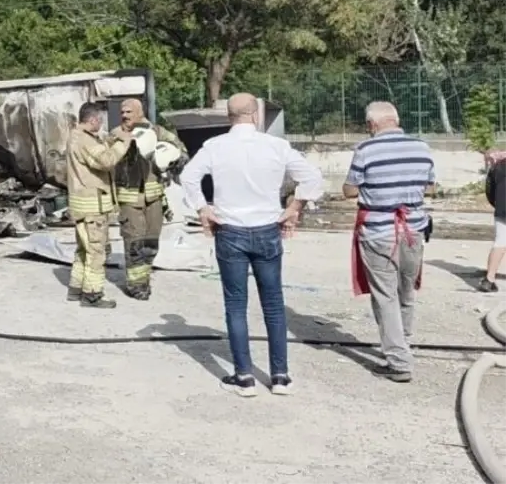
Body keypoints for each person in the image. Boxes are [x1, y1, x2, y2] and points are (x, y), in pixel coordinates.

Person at [180, 93, 324, 398]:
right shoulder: (275, 146)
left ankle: (244, 376)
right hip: (267, 229)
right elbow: (312, 177)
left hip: (230, 230)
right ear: (256, 115)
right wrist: (294, 207)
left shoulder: (216, 147)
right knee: (273, 304)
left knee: (236, 305)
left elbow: (188, 177)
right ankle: (280, 376)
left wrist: (203, 209)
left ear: (228, 116)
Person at [344, 101, 436, 384]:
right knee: (406, 291)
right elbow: (430, 187)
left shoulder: (366, 150)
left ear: (372, 124)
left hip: (378, 232)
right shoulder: (422, 147)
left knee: (385, 296)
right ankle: (403, 344)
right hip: (414, 229)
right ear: (396, 119)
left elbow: (350, 190)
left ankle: (398, 361)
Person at [107, 98, 186, 300]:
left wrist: (171, 159)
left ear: (140, 112)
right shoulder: (116, 135)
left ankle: (144, 276)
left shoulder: (159, 132)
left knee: (151, 242)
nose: (124, 115)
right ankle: (136, 286)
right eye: (122, 112)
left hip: (154, 199)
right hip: (129, 200)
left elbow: (182, 153)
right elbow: (106, 160)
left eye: (129, 112)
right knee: (134, 241)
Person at [65, 102, 133, 308]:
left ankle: (76, 288)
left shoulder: (78, 137)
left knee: (83, 250)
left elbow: (100, 146)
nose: (102, 124)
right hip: (92, 209)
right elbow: (106, 160)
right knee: (96, 252)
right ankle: (92, 295)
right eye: (100, 120)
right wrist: (125, 143)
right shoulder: (84, 140)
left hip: (83, 208)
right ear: (93, 120)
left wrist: (114, 137)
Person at [479, 152, 506, 293]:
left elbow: (489, 189)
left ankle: (489, 279)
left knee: (500, 242)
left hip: (502, 208)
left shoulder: (497, 165)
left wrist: (497, 204)